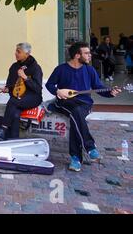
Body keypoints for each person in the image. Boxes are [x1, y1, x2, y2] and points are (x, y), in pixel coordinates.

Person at [46, 42, 121, 172]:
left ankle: (76, 158)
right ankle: (89, 147)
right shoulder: (61, 69)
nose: (90, 55)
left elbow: (98, 87)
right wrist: (58, 91)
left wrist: (110, 92)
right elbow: (50, 85)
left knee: (77, 114)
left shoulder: (89, 70)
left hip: (84, 103)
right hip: (65, 103)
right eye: (86, 53)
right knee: (76, 112)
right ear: (77, 55)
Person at [0, 43, 43, 141]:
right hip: (18, 98)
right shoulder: (14, 67)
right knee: (15, 114)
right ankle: (14, 140)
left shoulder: (35, 68)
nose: (15, 53)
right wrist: (5, 89)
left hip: (33, 97)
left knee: (13, 102)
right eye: (16, 51)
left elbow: (38, 88)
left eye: (19, 52)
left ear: (27, 54)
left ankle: (3, 129)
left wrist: (25, 78)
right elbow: (10, 86)